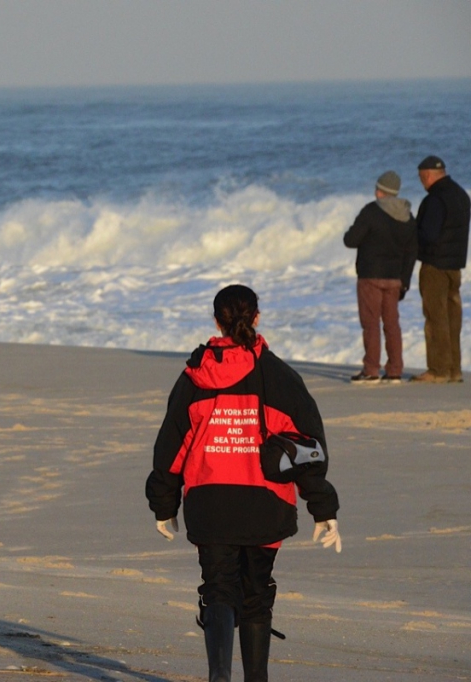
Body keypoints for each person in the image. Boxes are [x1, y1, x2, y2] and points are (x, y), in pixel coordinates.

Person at [146, 285, 340, 682]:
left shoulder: (195, 378)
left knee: (217, 588)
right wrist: (323, 508)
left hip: (210, 504)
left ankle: (219, 675)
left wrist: (164, 505)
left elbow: (171, 447)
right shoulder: (281, 377)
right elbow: (309, 449)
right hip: (266, 506)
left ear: (216, 321)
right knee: (256, 596)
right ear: (256, 317)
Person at [343, 170, 418, 383]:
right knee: (392, 324)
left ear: (380, 190)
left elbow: (350, 240)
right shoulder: (407, 216)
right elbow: (412, 251)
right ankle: (395, 369)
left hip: (370, 275)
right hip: (395, 278)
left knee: (371, 323)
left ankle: (371, 369)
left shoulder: (371, 211)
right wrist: (405, 281)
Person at [412, 155, 470, 383]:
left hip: (435, 265)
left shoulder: (435, 199)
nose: (422, 183)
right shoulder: (461, 195)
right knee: (453, 317)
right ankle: (454, 369)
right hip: (455, 265)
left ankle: (438, 369)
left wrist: (411, 239)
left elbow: (428, 234)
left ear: (427, 175)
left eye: (421, 178)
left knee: (435, 317)